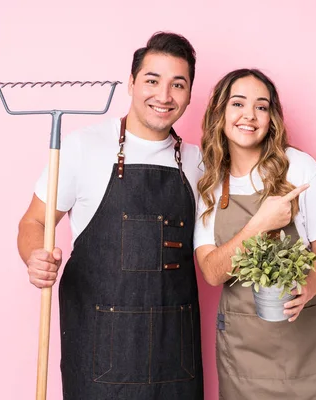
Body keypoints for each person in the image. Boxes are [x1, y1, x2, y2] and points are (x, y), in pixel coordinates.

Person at [17, 32, 204, 400]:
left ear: (189, 94)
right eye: (152, 81)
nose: (163, 96)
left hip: (175, 356)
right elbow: (34, 222)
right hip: (99, 356)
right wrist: (33, 256)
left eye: (177, 85)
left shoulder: (200, 161)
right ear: (132, 83)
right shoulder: (82, 147)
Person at [194, 68, 316, 399]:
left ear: (272, 118)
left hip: (314, 353)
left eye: (262, 106)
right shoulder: (211, 185)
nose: (249, 116)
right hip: (247, 360)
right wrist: (259, 224)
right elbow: (212, 272)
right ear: (220, 113)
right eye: (238, 104)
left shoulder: (299, 168)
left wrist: (305, 288)